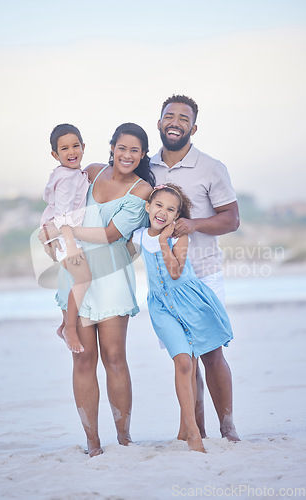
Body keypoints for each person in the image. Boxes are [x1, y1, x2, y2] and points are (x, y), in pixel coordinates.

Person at [39, 123, 154, 457]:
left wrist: (69, 229)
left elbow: (111, 234)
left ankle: (124, 437)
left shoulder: (141, 189)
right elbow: (59, 204)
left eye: (134, 150)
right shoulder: (89, 171)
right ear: (111, 148)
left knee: (115, 359)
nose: (127, 155)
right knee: (83, 360)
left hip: (113, 277)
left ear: (142, 154)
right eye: (122, 148)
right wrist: (51, 232)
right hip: (75, 272)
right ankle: (92, 442)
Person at [150, 94, 240, 442]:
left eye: (183, 118)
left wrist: (194, 224)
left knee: (211, 352)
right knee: (183, 356)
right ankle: (195, 429)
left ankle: (228, 428)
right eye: (169, 116)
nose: (175, 122)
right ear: (159, 123)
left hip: (203, 272)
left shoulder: (212, 167)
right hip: (166, 280)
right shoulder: (148, 167)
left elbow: (232, 219)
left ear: (193, 127)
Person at [128, 184, 234, 452]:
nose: (163, 212)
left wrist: (164, 241)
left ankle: (191, 431)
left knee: (199, 359)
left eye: (171, 209)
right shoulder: (138, 236)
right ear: (148, 207)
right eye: (159, 205)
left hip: (190, 302)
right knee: (183, 362)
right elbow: (118, 252)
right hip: (162, 308)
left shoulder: (179, 238)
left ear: (177, 216)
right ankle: (191, 431)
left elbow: (175, 273)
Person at [41, 123, 91, 354]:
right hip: (64, 235)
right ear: (55, 154)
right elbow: (62, 216)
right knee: (84, 278)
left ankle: (65, 325)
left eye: (75, 146)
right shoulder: (66, 178)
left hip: (66, 234)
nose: (71, 152)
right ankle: (69, 327)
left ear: (83, 147)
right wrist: (70, 246)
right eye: (64, 149)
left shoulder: (74, 174)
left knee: (82, 278)